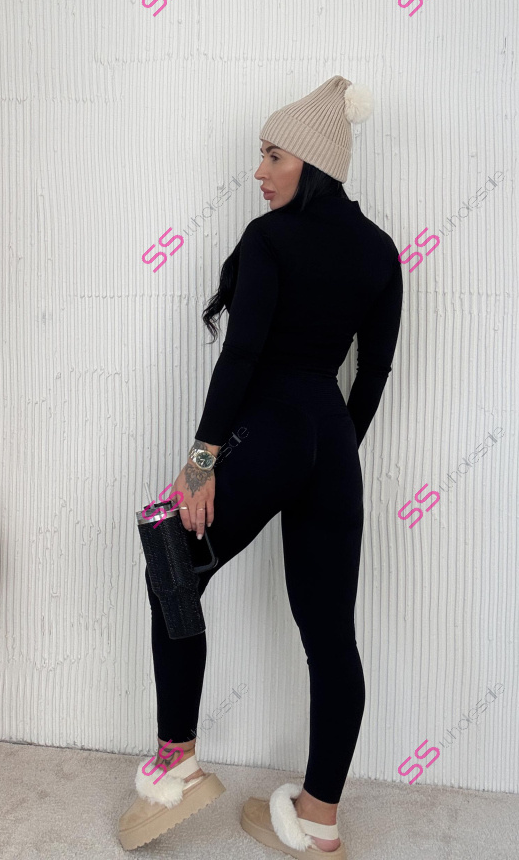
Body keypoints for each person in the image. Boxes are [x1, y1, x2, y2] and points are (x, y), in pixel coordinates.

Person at [118, 76, 403, 857]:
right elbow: (373, 373)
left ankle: (176, 764)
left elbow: (242, 356)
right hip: (331, 445)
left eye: (274, 156)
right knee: (331, 636)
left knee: (170, 559)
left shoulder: (271, 239)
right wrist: (330, 452)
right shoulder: (380, 252)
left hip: (270, 429)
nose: (260, 171)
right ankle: (318, 819)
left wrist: (201, 461)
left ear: (313, 162)